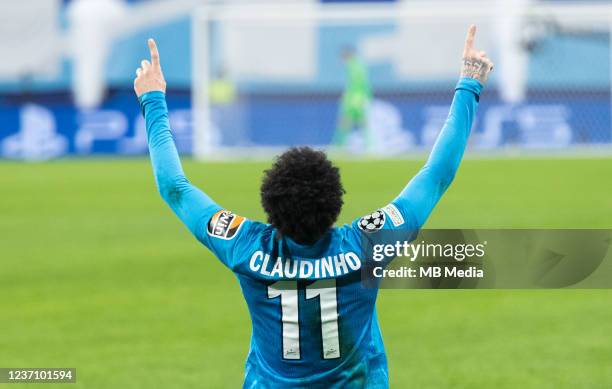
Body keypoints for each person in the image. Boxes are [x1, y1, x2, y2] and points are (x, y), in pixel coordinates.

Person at [134, 25, 493, 389]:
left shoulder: (245, 246)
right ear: (335, 201)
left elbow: (175, 189)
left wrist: (153, 99)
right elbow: (436, 176)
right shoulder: (367, 245)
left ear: (270, 204)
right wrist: (469, 82)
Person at [332, 46, 372, 149]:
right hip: (359, 98)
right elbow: (364, 84)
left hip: (354, 99)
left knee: (346, 122)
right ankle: (369, 146)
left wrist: (347, 96)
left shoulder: (353, 65)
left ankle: (338, 146)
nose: (342, 59)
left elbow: (356, 83)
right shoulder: (358, 65)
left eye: (343, 56)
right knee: (361, 123)